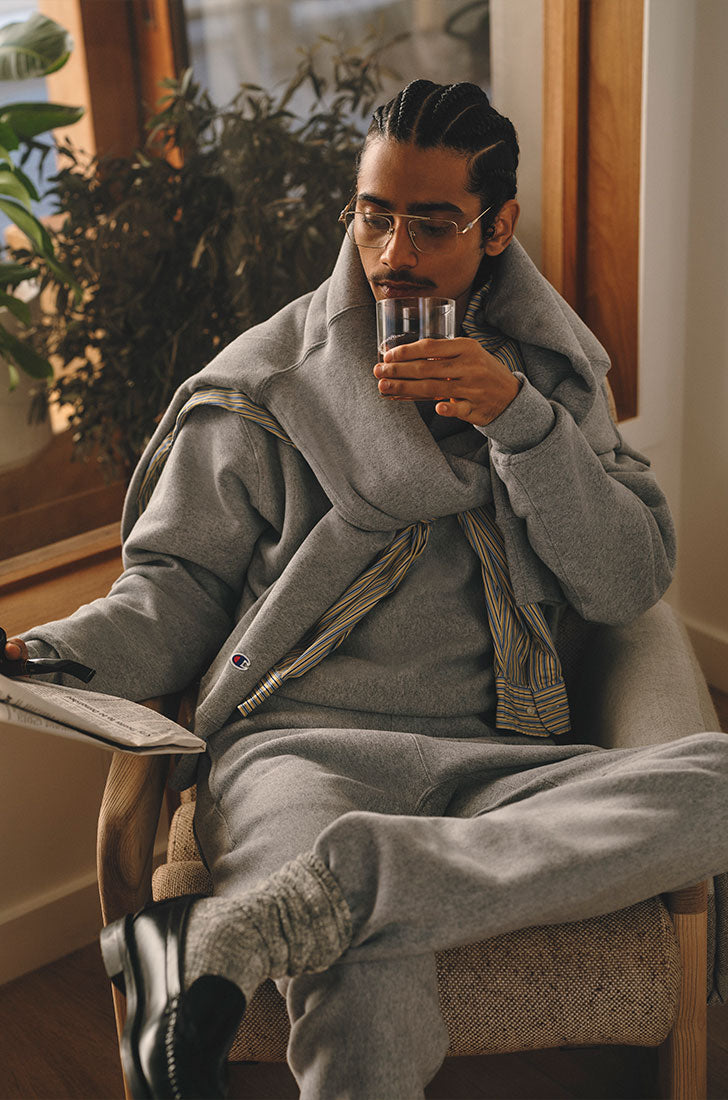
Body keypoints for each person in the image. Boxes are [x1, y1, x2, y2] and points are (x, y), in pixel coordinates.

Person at [4, 80, 728, 1100]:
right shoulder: (265, 385)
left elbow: (623, 586)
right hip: (299, 755)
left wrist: (519, 422)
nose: (393, 253)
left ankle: (300, 907)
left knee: (715, 786)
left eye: (431, 223)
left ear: (496, 227)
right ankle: (327, 901)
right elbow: (172, 591)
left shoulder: (551, 382)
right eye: (373, 215)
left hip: (503, 752)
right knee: (359, 980)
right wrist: (45, 651)